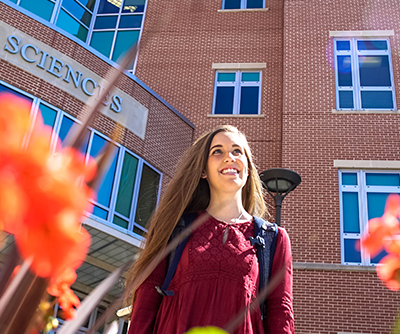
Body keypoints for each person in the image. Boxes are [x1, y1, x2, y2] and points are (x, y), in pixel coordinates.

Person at [126, 125, 294, 334]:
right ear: (203, 170)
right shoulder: (175, 227)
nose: (229, 157)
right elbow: (146, 302)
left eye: (237, 151)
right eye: (217, 151)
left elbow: (281, 314)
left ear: (248, 168)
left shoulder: (274, 239)